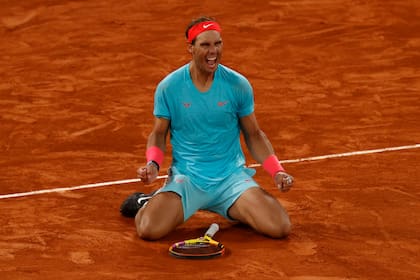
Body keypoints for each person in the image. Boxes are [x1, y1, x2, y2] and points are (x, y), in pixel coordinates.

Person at [120, 16, 294, 240]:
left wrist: (276, 170)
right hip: (188, 179)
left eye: (217, 43)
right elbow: (158, 133)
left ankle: (231, 206)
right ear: (190, 48)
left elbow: (254, 134)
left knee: (280, 227)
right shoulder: (169, 87)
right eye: (205, 45)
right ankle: (150, 200)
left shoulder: (237, 85)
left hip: (230, 179)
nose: (213, 51)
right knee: (148, 229)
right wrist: (153, 163)